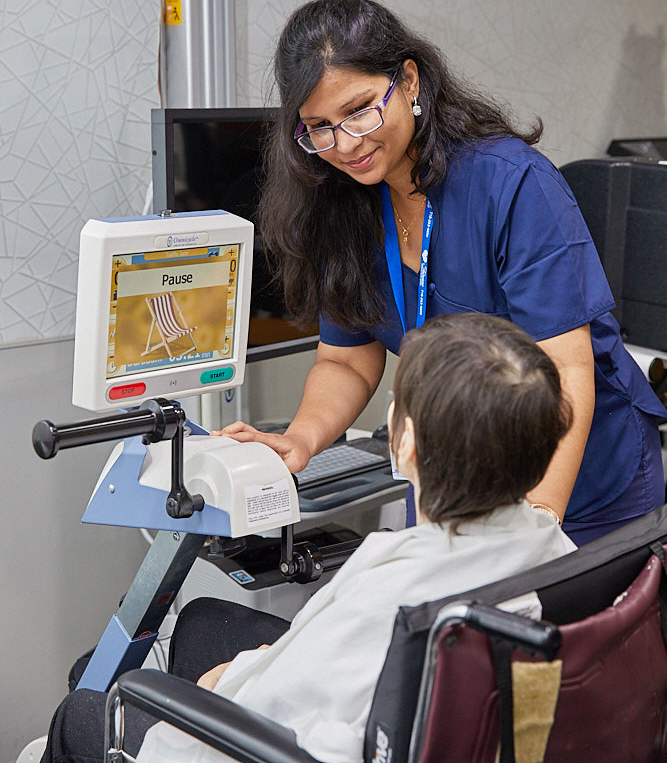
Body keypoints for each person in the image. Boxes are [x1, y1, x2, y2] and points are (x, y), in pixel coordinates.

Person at [221, 0, 665, 545]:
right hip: (451, 478)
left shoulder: (512, 185)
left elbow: (566, 372)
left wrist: (537, 525)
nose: (345, 143)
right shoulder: (338, 203)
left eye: (360, 110)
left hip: (581, 480)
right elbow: (346, 360)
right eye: (319, 127)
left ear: (409, 81)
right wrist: (303, 438)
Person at [41, 312, 576, 763]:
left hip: (273, 745)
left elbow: (267, 702)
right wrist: (283, 657)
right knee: (201, 620)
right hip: (407, 709)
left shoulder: (390, 597)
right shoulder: (551, 547)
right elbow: (329, 664)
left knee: (84, 711)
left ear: (405, 442)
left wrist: (224, 684)